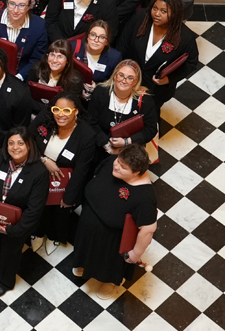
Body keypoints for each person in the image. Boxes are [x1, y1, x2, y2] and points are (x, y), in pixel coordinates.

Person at [72, 145, 158, 299]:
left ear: (136, 172)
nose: (116, 166)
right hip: (90, 225)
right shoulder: (113, 161)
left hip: (113, 240)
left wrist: (135, 253)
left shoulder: (145, 197)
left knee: (109, 263)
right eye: (118, 161)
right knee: (87, 249)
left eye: (123, 167)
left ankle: (111, 282)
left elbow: (148, 229)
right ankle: (86, 265)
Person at [0, 127, 49, 298]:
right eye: (11, 143)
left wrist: (11, 230)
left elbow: (34, 210)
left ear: (29, 145)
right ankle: (2, 261)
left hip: (19, 225)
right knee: (1, 245)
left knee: (11, 251)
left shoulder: (39, 172)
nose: (15, 147)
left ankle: (5, 281)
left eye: (20, 143)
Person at [30, 92, 97, 252]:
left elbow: (82, 170)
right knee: (37, 207)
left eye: (66, 111)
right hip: (39, 173)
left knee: (59, 212)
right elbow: (28, 140)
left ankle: (53, 236)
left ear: (76, 112)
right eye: (57, 110)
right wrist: (44, 160)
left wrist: (68, 198)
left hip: (65, 182)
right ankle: (37, 233)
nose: (60, 114)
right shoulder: (45, 119)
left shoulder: (86, 135)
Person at [116, 0, 200, 114]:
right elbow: (122, 45)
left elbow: (191, 63)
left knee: (148, 118)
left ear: (174, 13)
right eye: (154, 8)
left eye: (163, 11)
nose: (157, 14)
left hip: (156, 91)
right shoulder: (140, 18)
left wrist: (169, 79)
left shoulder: (184, 37)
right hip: (128, 82)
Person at [84, 60, 158, 159]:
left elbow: (150, 129)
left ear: (135, 82)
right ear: (115, 76)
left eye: (130, 78)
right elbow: (91, 122)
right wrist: (106, 144)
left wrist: (126, 142)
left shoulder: (145, 100)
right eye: (121, 75)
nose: (124, 80)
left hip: (130, 150)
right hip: (99, 145)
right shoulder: (100, 92)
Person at [26, 39, 85, 112]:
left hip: (59, 115)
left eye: (60, 57)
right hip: (33, 110)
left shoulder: (75, 80)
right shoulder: (36, 69)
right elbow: (26, 98)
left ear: (68, 60)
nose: (54, 60)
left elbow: (71, 107)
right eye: (52, 55)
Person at [74, 20, 122, 99]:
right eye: (93, 35)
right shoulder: (75, 47)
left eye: (102, 37)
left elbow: (114, 83)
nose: (96, 40)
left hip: (98, 98)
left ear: (106, 41)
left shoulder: (114, 57)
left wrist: (96, 86)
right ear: (87, 37)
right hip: (73, 94)